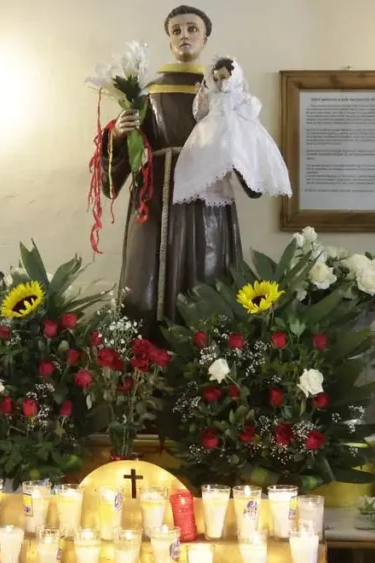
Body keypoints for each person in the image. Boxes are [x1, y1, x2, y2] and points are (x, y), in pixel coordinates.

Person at [100, 4, 261, 343]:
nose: (184, 36)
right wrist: (118, 134)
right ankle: (142, 362)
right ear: (169, 39)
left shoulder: (224, 93)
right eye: (176, 30)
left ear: (205, 37)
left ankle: (205, 364)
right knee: (143, 283)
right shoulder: (146, 90)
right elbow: (129, 150)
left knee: (206, 273)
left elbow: (246, 144)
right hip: (155, 196)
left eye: (192, 29)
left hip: (205, 198)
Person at [173, 56, 292, 207]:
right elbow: (199, 115)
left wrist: (240, 114)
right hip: (212, 133)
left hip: (235, 130)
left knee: (240, 149)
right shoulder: (212, 97)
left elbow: (253, 108)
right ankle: (214, 178)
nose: (221, 82)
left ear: (234, 76)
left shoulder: (240, 96)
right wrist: (201, 99)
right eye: (216, 79)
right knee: (204, 158)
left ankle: (247, 179)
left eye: (224, 77)